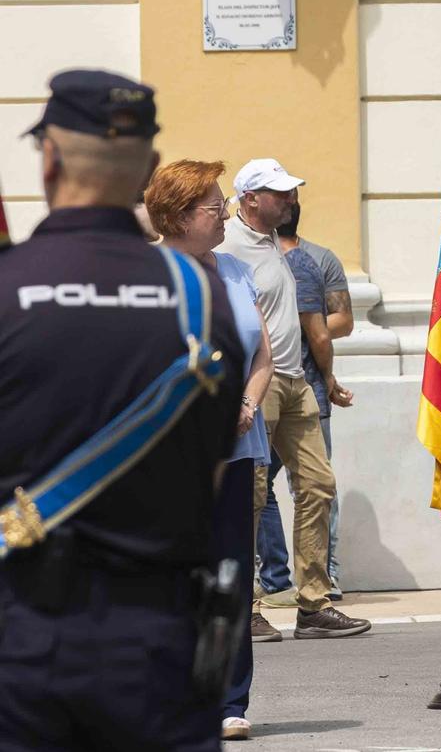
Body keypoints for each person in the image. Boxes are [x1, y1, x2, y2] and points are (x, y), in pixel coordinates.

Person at [0, 71, 246, 748]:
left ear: (49, 158)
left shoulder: (7, 285)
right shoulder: (203, 301)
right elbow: (215, 472)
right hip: (161, 642)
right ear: (148, 168)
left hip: (19, 637)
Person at [145, 158, 276, 742]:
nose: (223, 212)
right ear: (175, 216)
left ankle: (229, 698)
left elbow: (263, 359)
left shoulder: (236, 272)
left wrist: (244, 407)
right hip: (164, 458)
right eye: (212, 206)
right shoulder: (142, 277)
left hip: (236, 448)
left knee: (228, 578)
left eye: (223, 202)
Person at [222, 158, 367, 640]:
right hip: (255, 384)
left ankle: (313, 603)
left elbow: (309, 325)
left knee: (318, 486)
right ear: (249, 199)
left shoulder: (273, 245)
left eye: (289, 191)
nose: (290, 199)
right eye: (278, 192)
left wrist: (324, 377)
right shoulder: (226, 245)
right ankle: (248, 606)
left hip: (294, 381)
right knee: (252, 495)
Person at [258, 196, 355, 603]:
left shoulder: (312, 260)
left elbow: (337, 323)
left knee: (313, 487)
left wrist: (327, 378)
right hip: (265, 388)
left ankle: (321, 582)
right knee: (260, 490)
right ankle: (277, 578)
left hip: (306, 388)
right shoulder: (245, 256)